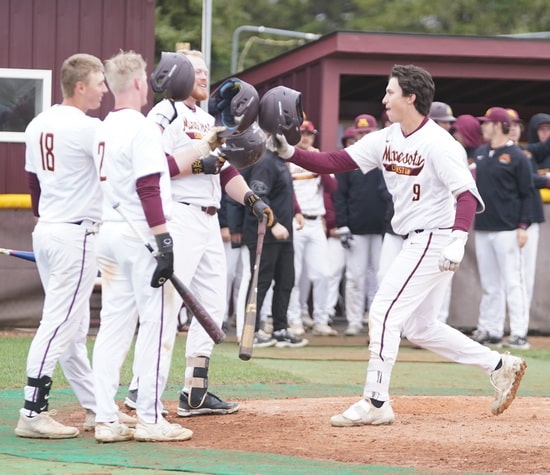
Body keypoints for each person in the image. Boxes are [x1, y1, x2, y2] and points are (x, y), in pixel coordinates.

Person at [267, 64, 527, 426]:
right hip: (416, 238)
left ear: (411, 97)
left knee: (383, 311)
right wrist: (289, 152)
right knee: (420, 327)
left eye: (390, 92)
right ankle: (500, 365)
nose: (384, 99)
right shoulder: (387, 136)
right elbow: (335, 161)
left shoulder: (440, 143)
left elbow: (466, 194)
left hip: (436, 237)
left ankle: (375, 401)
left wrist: (457, 238)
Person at [126, 49, 273, 418]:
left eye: (207, 71)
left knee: (211, 304)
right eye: (197, 71)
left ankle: (195, 390)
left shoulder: (207, 119)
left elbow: (223, 170)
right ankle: (140, 388)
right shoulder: (163, 113)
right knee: (166, 308)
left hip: (209, 220)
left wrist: (251, 199)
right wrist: (195, 162)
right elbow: (152, 166)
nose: (205, 78)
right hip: (178, 214)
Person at [92, 50, 196, 443]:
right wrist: (164, 240)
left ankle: (105, 418)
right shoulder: (141, 127)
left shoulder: (103, 126)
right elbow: (149, 186)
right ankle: (150, 417)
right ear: (139, 83)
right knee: (156, 322)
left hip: (111, 231)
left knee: (114, 326)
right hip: (141, 236)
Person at [16, 53, 114, 439]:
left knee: (71, 328)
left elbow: (32, 181)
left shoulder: (38, 123)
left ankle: (95, 408)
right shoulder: (89, 127)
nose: (104, 89)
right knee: (58, 324)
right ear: (80, 86)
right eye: (99, 82)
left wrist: (43, 215)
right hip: (76, 234)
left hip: (48, 230)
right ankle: (32, 410)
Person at [470, 107, 535, 350]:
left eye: (486, 123)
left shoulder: (517, 156)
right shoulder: (480, 153)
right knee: (489, 283)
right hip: (484, 226)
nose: (483, 127)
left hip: (508, 229)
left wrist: (522, 226)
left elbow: (526, 193)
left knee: (512, 281)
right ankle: (490, 329)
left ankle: (519, 333)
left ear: (498, 125)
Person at [236, 145, 309, 348]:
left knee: (286, 281)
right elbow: (258, 196)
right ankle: (252, 330)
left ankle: (280, 328)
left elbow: (283, 193)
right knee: (261, 282)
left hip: (284, 233)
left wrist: (296, 211)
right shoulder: (265, 160)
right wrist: (274, 223)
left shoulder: (280, 160)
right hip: (264, 233)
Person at [334, 114, 386, 336]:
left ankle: (376, 322)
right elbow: (340, 194)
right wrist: (343, 224)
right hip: (356, 228)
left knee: (380, 278)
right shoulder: (349, 159)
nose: (364, 135)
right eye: (361, 133)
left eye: (368, 132)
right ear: (355, 135)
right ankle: (354, 320)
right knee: (355, 277)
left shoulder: (385, 158)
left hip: (383, 228)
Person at [287, 120, 338, 337]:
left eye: (310, 134)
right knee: (295, 274)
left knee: (323, 274)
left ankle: (320, 320)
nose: (306, 138)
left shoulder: (318, 157)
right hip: (296, 220)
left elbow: (332, 187)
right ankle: (295, 319)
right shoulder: (288, 158)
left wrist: (318, 163)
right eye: (302, 133)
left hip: (316, 220)